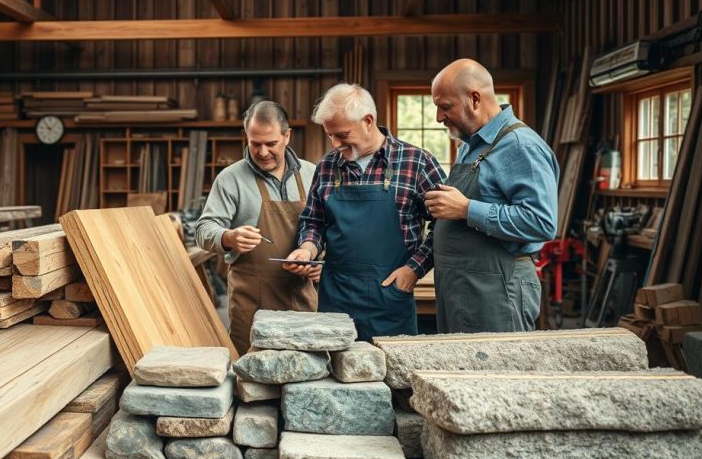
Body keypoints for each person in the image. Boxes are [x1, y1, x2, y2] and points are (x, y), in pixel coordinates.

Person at [285, 84, 445, 340]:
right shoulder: (327, 166)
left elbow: (445, 224)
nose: (335, 144)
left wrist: (414, 269)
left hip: (389, 298)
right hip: (335, 298)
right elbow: (313, 221)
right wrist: (307, 249)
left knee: (394, 377)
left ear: (368, 121)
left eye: (342, 134)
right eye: (329, 136)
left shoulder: (416, 162)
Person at [426, 58, 558, 333]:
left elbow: (541, 222)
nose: (439, 117)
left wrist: (466, 209)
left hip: (497, 292)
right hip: (462, 289)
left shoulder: (519, 146)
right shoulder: (470, 145)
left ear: (474, 98)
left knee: (499, 373)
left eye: (445, 106)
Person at [195, 101, 318, 354]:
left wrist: (317, 261)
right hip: (251, 306)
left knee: (304, 381)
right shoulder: (230, 178)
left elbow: (324, 230)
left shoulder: (312, 175)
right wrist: (228, 237)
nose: (262, 152)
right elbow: (203, 229)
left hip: (302, 302)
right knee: (251, 387)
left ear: (287, 136)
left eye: (271, 143)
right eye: (255, 143)